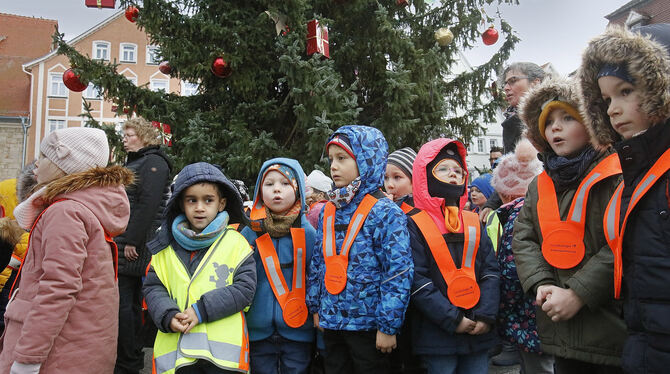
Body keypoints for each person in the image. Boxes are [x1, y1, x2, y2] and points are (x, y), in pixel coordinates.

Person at [512, 77, 627, 373]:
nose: (555, 127)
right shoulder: (540, 184)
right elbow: (524, 237)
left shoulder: (617, 173)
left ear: (591, 124)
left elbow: (622, 241)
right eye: (548, 121)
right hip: (558, 327)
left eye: (567, 117)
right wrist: (542, 283)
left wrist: (577, 293)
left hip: (610, 326)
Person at [0, 127, 132, 373]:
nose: (36, 164)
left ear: (66, 166)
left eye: (45, 156)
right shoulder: (84, 209)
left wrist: (28, 357)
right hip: (79, 346)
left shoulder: (65, 212)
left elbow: (58, 287)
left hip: (57, 355)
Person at [579, 24, 670, 374]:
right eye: (605, 100)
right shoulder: (634, 171)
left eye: (626, 91)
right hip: (644, 340)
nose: (613, 109)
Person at [306, 125, 413, 374]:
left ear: (367, 159)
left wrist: (388, 326)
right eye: (332, 159)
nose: (333, 166)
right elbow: (317, 263)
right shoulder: (328, 210)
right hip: (332, 322)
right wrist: (316, 307)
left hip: (369, 327)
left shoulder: (385, 211)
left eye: (342, 158)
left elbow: (397, 272)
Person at [143, 162, 256, 374]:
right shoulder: (164, 248)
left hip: (222, 362)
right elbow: (153, 288)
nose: (200, 207)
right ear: (180, 204)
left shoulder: (236, 243)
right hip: (178, 358)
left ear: (221, 204)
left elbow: (245, 289)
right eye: (192, 200)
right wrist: (167, 315)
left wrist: (201, 310)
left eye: (208, 200)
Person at [407, 138, 500, 374]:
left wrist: (486, 315)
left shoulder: (472, 221)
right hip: (437, 334)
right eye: (443, 169)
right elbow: (418, 280)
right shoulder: (413, 224)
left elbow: (490, 271)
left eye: (458, 170)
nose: (452, 175)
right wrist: (452, 319)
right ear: (425, 176)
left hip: (477, 329)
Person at [241, 158, 316, 373]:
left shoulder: (308, 233)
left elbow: (316, 277)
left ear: (298, 190)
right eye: (269, 184)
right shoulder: (250, 233)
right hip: (257, 328)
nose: (277, 190)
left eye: (285, 184)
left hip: (298, 329)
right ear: (259, 191)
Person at [114, 117, 173, 374]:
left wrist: (131, 241)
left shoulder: (153, 163)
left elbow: (147, 205)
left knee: (124, 302)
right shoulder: (139, 162)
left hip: (137, 243)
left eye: (129, 134)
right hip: (132, 239)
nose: (124, 139)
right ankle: (130, 355)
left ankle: (127, 360)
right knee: (130, 301)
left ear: (144, 136)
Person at [489, 139, 552, 373]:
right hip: (538, 314)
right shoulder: (540, 208)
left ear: (505, 194)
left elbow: (512, 270)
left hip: (529, 316)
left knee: (539, 368)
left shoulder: (516, 217)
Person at [479, 62, 547, 225]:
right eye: (505, 83)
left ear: (535, 82)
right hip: (523, 211)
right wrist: (492, 203)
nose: (506, 88)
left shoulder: (551, 116)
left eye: (513, 81)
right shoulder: (512, 122)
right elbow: (510, 172)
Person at [384, 147, 417, 213]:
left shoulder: (417, 209)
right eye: (386, 178)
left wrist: (389, 209)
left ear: (414, 180)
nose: (389, 185)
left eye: (397, 177)